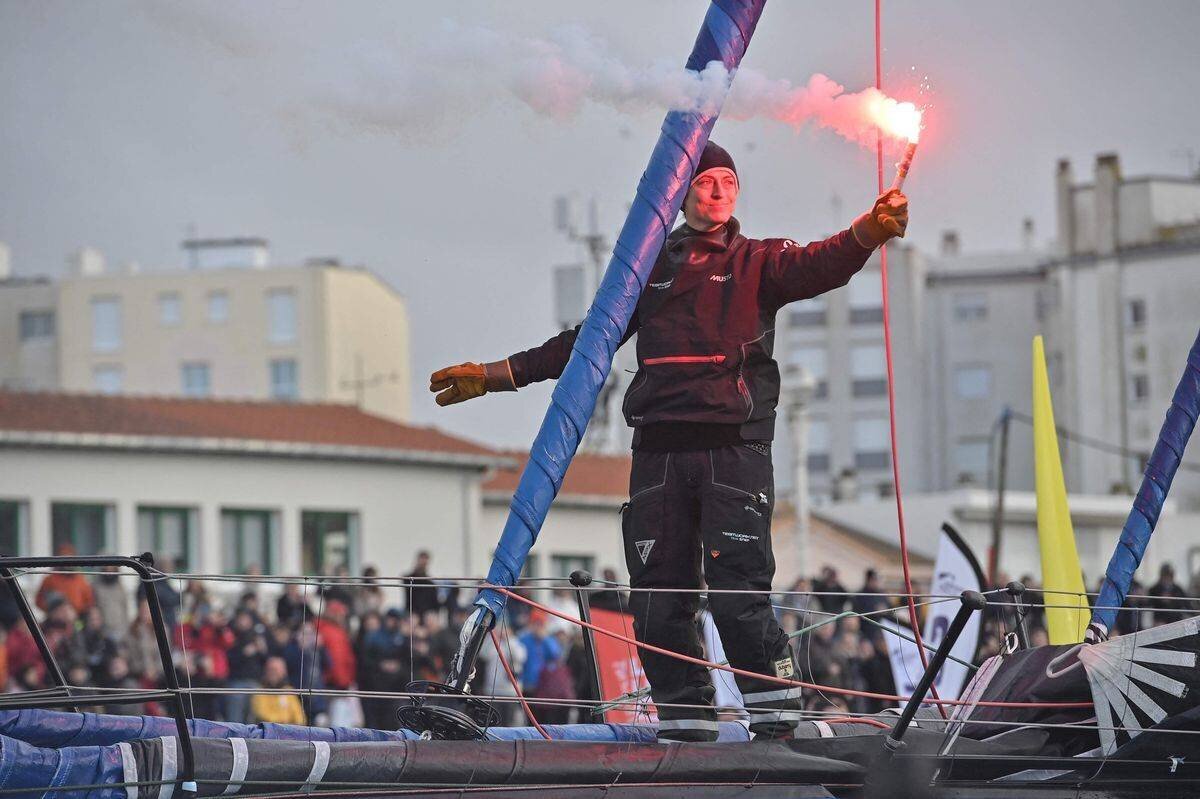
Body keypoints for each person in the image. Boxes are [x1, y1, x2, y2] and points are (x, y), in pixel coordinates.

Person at [429, 141, 907, 741]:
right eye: (707, 181)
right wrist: (497, 374)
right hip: (657, 451)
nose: (719, 192)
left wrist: (867, 231)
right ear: (680, 193)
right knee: (656, 603)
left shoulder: (759, 259)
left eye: (729, 182)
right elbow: (587, 342)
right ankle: (685, 721)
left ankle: (779, 722)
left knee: (739, 597)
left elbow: (820, 262)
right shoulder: (645, 269)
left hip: (733, 449)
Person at [250, 656, 306, 725]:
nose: (273, 673)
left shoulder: (289, 691)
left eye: (276, 670)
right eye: (271, 670)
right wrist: (283, 723)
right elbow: (262, 715)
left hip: (289, 731)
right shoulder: (259, 692)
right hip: (268, 731)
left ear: (284, 672)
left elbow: (299, 716)